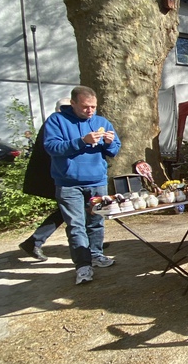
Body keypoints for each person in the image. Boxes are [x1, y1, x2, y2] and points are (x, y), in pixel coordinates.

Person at [43, 86, 121, 285]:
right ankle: (83, 266)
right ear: (73, 103)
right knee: (76, 225)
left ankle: (96, 255)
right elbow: (51, 147)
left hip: (97, 181)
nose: (90, 111)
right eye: (86, 107)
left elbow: (114, 150)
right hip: (68, 183)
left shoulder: (101, 122)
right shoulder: (57, 120)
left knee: (96, 222)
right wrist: (81, 141)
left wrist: (110, 143)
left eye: (93, 107)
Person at [18, 98, 72, 261]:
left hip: (61, 177)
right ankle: (33, 242)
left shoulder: (60, 124)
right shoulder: (54, 124)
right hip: (55, 177)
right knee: (68, 210)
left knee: (73, 210)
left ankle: (87, 243)